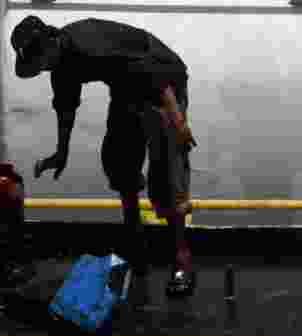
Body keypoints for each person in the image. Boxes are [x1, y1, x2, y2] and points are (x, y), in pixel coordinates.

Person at [12, 15, 198, 298]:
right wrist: (61, 153)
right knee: (119, 160)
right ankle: (136, 246)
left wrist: (179, 123)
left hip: (162, 83)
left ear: (51, 42)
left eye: (41, 62)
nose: (44, 68)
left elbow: (153, 73)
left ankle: (181, 259)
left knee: (167, 172)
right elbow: (65, 108)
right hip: (126, 89)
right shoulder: (60, 64)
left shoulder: (91, 42)